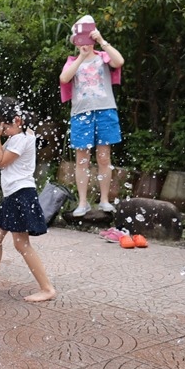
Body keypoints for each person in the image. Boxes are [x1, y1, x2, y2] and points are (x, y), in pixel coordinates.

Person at [0, 97, 56, 302]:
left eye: (5, 127)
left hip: (21, 194)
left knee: (21, 243)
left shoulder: (20, 139)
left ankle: (47, 288)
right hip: (14, 195)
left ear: (17, 121)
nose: (3, 131)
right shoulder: (22, 134)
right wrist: (3, 129)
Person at [59, 14, 125, 217]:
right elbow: (64, 78)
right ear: (75, 42)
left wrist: (101, 41)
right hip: (81, 114)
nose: (85, 44)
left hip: (105, 110)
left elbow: (119, 61)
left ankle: (104, 200)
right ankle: (82, 202)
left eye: (88, 39)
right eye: (81, 41)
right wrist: (80, 56)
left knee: (104, 157)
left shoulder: (103, 57)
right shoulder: (72, 62)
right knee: (82, 160)